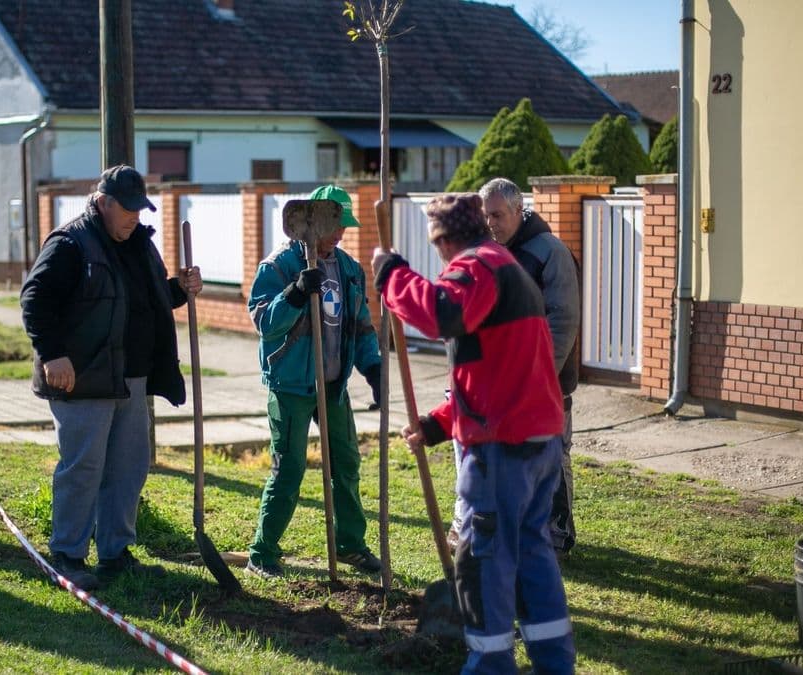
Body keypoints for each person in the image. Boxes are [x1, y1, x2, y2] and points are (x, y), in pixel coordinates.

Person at [372, 193, 575, 674]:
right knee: (531, 557)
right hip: (536, 440)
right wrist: (439, 423)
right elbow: (497, 370)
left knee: (483, 561)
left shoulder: (476, 267)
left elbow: (441, 314)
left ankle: (489, 667)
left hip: (503, 451)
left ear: (444, 240)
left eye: (436, 245)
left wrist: (391, 275)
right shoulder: (506, 267)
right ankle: (554, 663)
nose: (438, 256)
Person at [20, 165, 201, 590]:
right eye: (128, 209)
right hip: (81, 378)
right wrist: (53, 355)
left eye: (141, 208)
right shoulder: (70, 243)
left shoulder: (139, 244)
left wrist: (179, 288)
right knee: (83, 466)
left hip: (131, 377)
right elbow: (34, 299)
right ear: (103, 203)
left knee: (128, 467)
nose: (136, 216)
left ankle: (115, 553)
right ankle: (66, 553)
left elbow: (148, 299)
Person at [245, 184, 383, 579]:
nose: (340, 235)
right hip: (291, 387)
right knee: (288, 469)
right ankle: (262, 552)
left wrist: (373, 369)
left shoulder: (349, 269)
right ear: (310, 225)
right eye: (334, 226)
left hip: (333, 386)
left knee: (347, 464)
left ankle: (350, 545)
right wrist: (293, 293)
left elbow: (361, 327)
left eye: (343, 227)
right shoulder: (278, 267)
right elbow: (265, 325)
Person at [479, 178, 580, 555]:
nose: (490, 223)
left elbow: (563, 320)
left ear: (519, 211)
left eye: (498, 215)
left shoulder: (550, 252)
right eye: (486, 215)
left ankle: (556, 537)